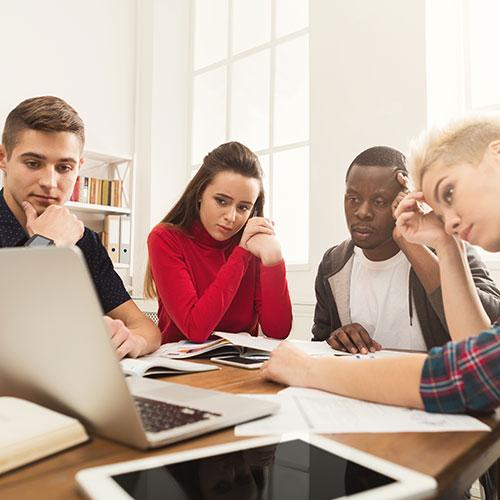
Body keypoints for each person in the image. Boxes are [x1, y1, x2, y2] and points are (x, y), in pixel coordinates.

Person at [263, 115, 500, 417]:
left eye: (449, 192)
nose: (451, 220)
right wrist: (446, 242)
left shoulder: (446, 250)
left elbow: (468, 374)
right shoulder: (334, 263)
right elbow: (478, 359)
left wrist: (309, 369)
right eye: (441, 208)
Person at [0, 96, 161, 358]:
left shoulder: (85, 241)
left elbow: (145, 327)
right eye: (33, 163)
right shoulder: (60, 236)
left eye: (64, 167)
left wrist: (132, 341)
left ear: (79, 168)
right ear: (3, 158)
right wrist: (46, 244)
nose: (50, 182)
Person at [313, 146, 500, 354]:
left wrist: (411, 245)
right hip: (358, 385)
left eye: (379, 201)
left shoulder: (448, 249)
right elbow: (318, 343)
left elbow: (491, 329)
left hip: (430, 384)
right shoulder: (333, 264)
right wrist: (336, 339)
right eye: (353, 199)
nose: (362, 212)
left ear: (405, 199)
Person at [145, 141, 292, 344]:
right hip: (180, 367)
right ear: (200, 194)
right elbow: (195, 330)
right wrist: (241, 255)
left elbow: (278, 331)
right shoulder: (165, 239)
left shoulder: (254, 243)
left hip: (240, 367)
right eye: (221, 201)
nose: (231, 217)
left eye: (243, 208)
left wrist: (274, 260)